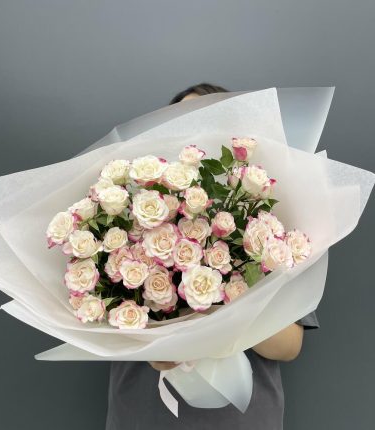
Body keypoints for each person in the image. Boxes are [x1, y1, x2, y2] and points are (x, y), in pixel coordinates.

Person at [105, 83, 320, 430]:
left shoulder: (274, 229)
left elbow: (287, 346)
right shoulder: (125, 216)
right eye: (183, 122)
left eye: (209, 120)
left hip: (241, 419)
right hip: (143, 417)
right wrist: (151, 338)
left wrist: (215, 297)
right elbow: (99, 321)